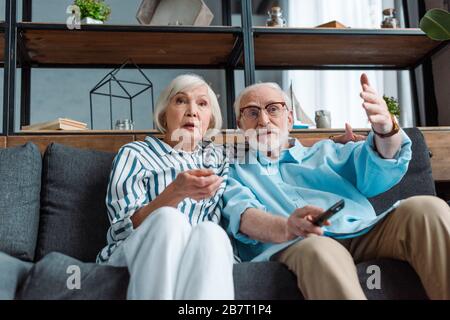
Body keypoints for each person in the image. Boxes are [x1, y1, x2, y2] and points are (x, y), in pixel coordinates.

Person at [222, 73, 450, 300]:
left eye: (273, 109)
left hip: (362, 232)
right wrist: (288, 227)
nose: (263, 120)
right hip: (297, 243)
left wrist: (385, 129)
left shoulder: (327, 151)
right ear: (241, 125)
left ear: (289, 118)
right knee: (320, 248)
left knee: (427, 209)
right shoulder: (234, 170)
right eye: (252, 113)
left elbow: (381, 161)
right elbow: (243, 215)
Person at [97, 74, 234, 300]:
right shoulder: (136, 154)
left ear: (210, 119)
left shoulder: (219, 160)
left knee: (213, 233)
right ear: (163, 114)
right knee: (170, 220)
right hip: (136, 248)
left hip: (196, 252)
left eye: (202, 103)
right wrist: (176, 192)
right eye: (181, 101)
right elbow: (122, 229)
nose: (192, 111)